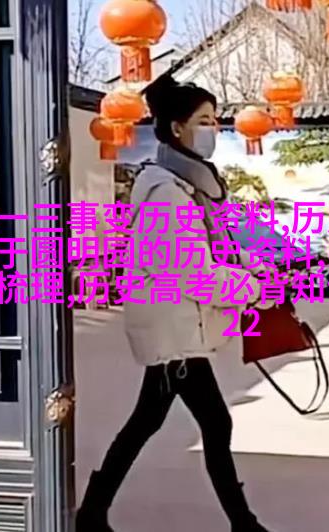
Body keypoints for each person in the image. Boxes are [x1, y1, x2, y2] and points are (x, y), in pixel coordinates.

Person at [76, 74, 272, 532]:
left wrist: (249, 267)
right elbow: (193, 275)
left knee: (150, 422)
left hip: (177, 329)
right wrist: (252, 289)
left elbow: (208, 254)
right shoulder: (168, 194)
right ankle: (243, 524)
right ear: (176, 128)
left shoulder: (187, 188)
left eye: (215, 120)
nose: (213, 129)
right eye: (204, 121)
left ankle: (93, 512)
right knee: (213, 424)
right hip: (175, 332)